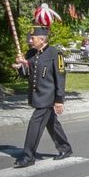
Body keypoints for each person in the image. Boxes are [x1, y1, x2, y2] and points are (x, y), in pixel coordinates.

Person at [12, 24, 72, 168]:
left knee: (35, 124)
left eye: (32, 38)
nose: (30, 40)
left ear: (42, 39)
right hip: (36, 95)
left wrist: (59, 100)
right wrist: (20, 66)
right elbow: (27, 74)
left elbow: (60, 77)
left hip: (48, 97)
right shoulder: (31, 54)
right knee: (51, 123)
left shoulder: (55, 54)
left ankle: (28, 156)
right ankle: (65, 148)